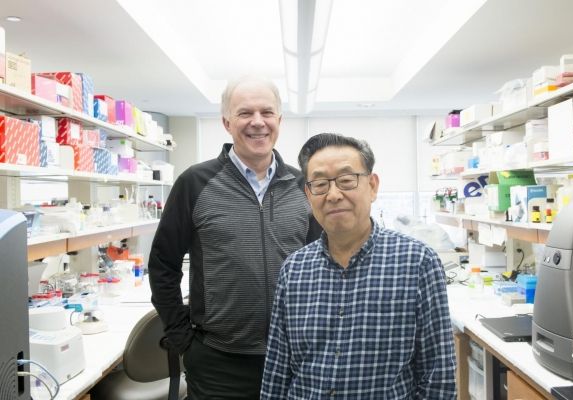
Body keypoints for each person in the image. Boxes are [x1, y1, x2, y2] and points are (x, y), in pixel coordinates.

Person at [148, 76, 320, 399]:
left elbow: (322, 266)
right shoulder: (195, 183)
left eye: (267, 112)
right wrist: (183, 339)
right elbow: (162, 265)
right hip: (218, 364)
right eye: (245, 113)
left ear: (279, 120)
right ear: (227, 122)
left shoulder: (304, 186)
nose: (258, 122)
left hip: (295, 358)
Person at [261, 133, 457, 399]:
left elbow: (438, 375)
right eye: (320, 184)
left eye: (346, 180)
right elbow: (277, 371)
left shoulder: (418, 262)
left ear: (372, 186)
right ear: (308, 194)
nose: (333, 195)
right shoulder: (294, 270)